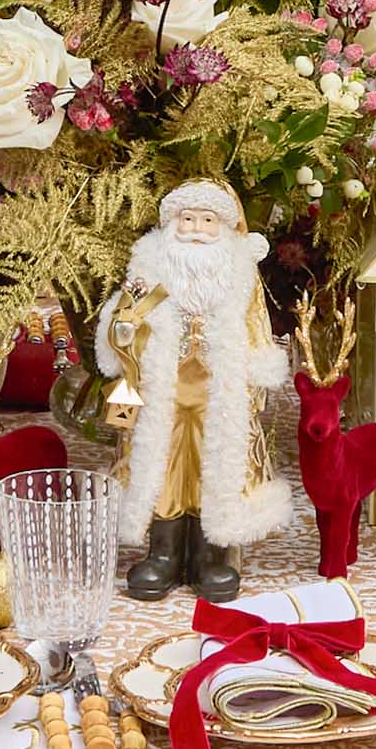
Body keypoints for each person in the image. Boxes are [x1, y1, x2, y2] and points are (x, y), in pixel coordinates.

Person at [96, 179, 289, 600]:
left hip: (217, 392)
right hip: (161, 390)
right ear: (170, 224)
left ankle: (209, 554)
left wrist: (257, 377)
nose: (197, 230)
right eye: (187, 220)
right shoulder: (150, 271)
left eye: (207, 220)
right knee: (161, 463)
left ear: (225, 227)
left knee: (215, 463)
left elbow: (257, 328)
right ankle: (163, 552)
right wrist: (125, 328)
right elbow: (122, 319)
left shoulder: (239, 276)